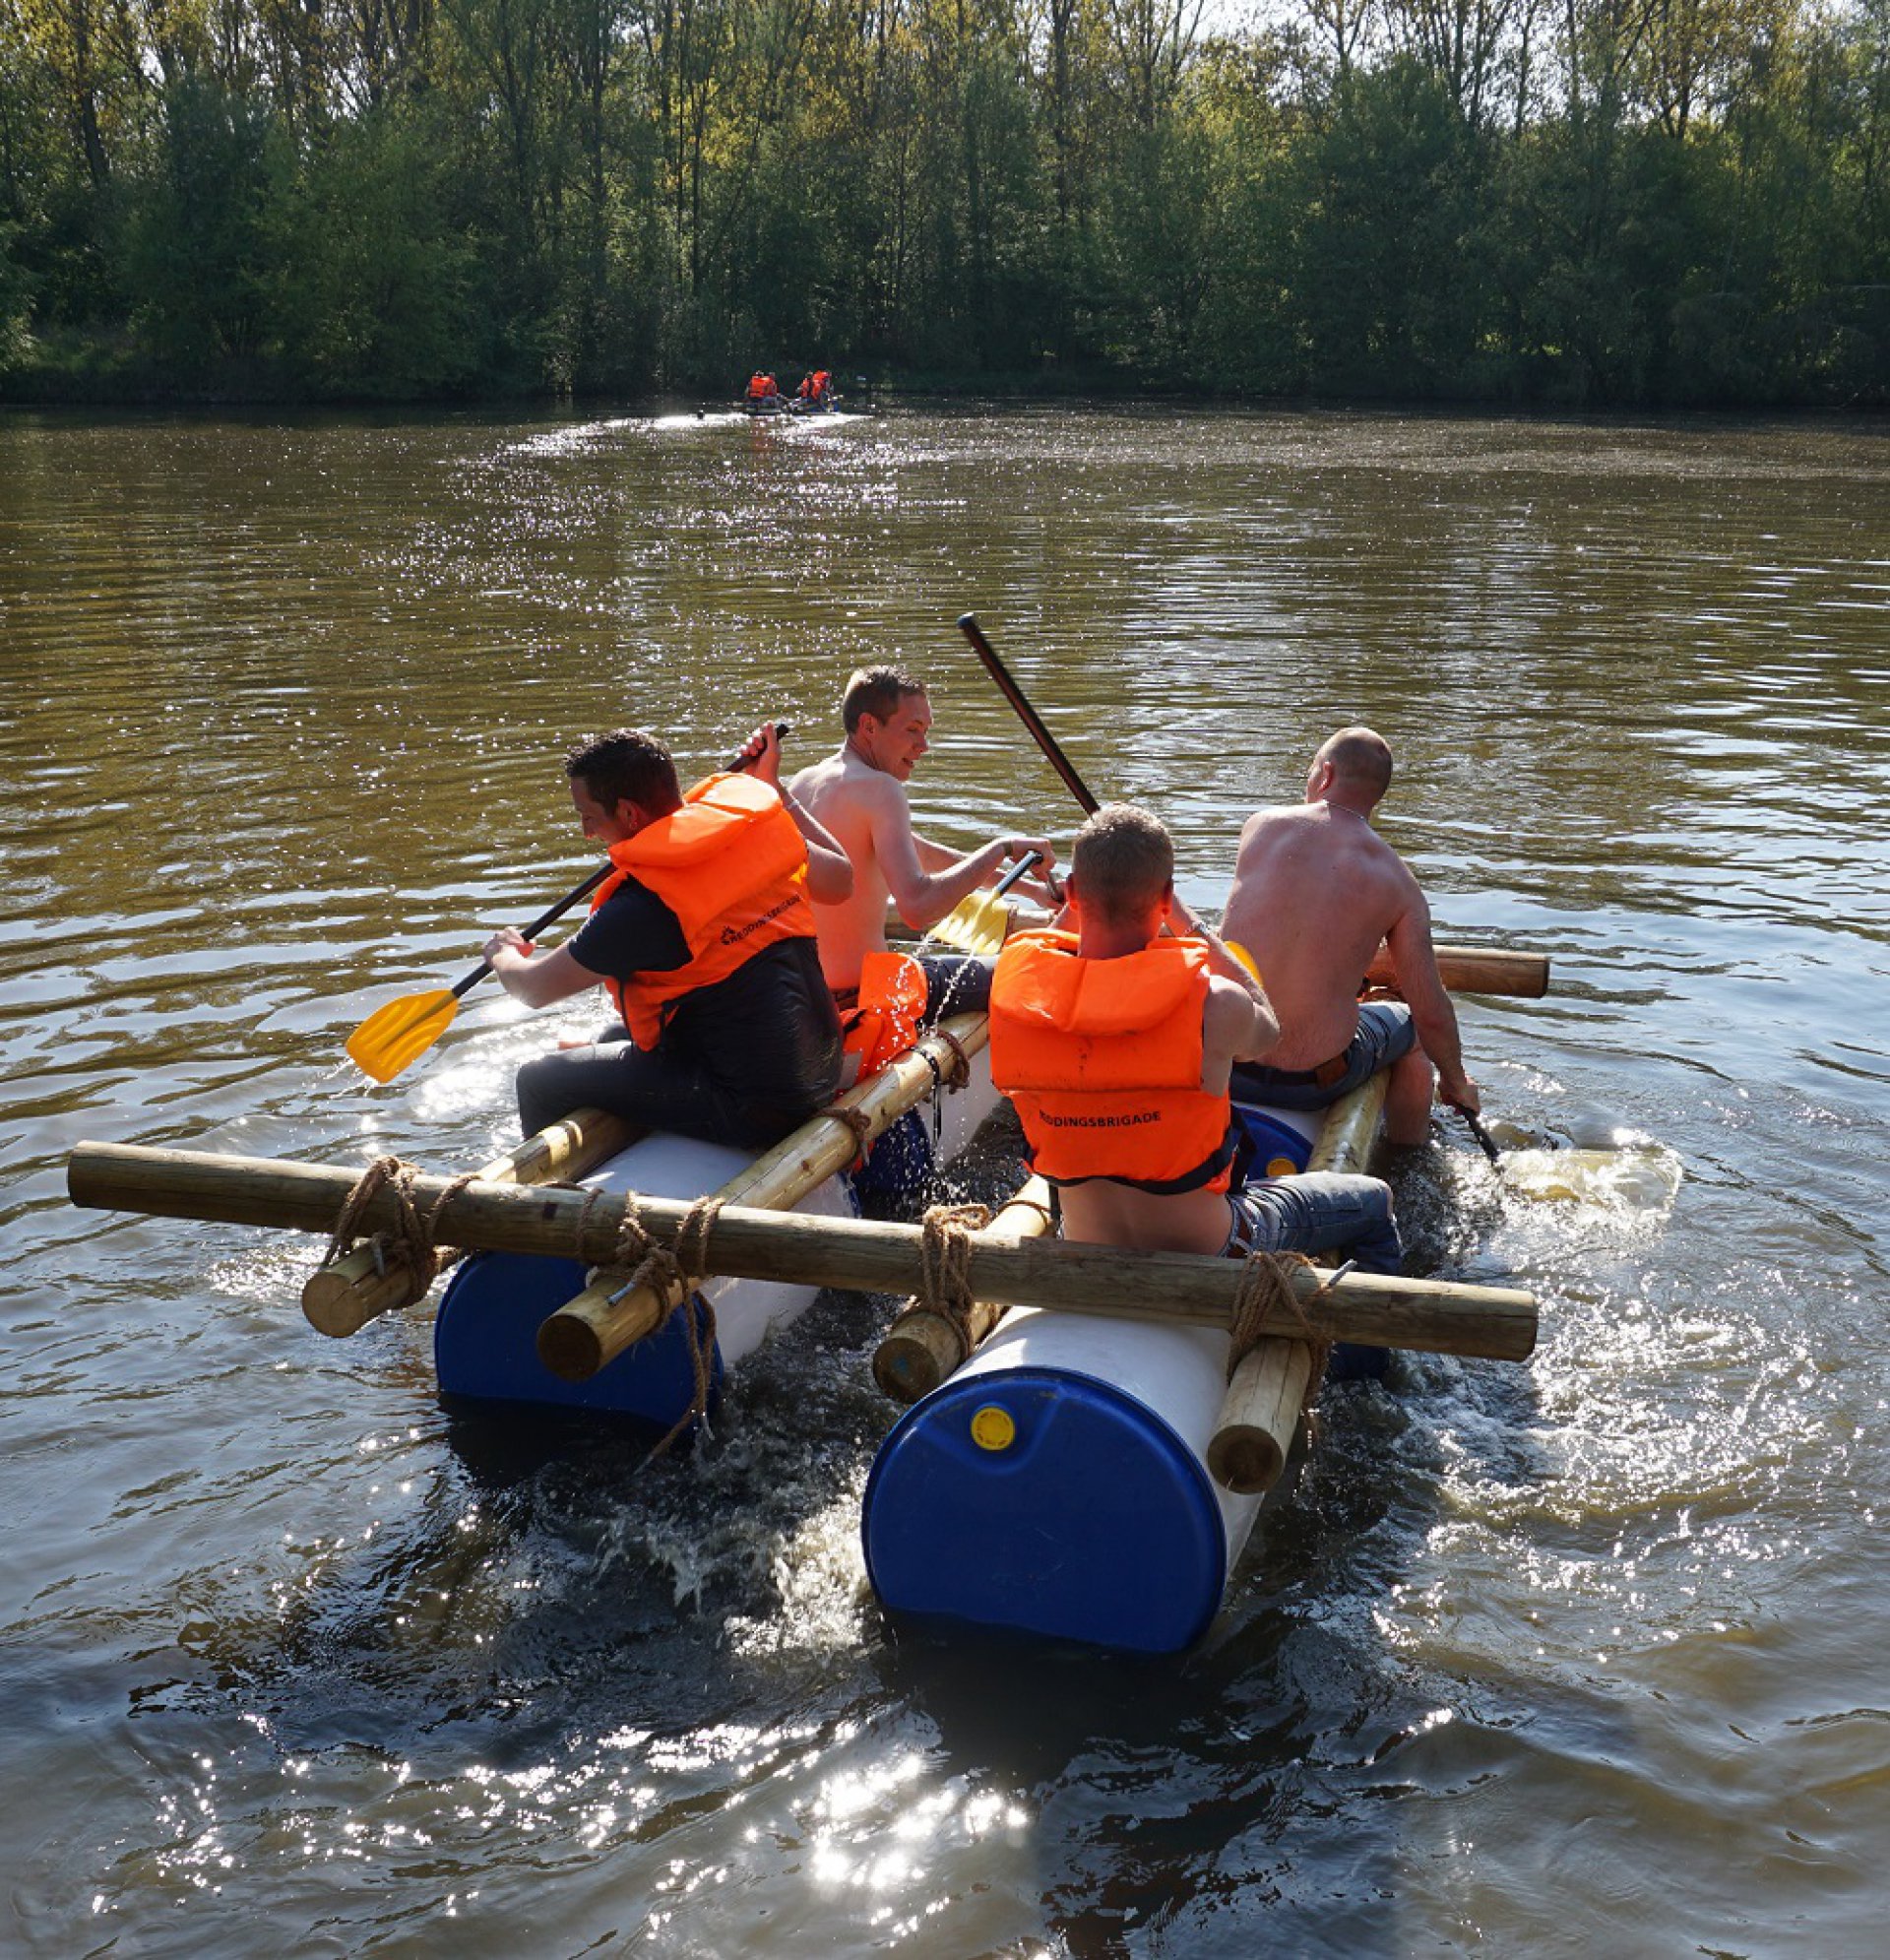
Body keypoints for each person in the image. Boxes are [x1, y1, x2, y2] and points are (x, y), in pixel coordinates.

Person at [989, 803, 1403, 1270]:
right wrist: (1190, 924)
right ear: (1165, 898)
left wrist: (1073, 910)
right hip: (1210, 1247)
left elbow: (1052, 963)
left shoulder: (1017, 999)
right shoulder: (1215, 1001)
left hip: (1083, 1238)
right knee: (1374, 1201)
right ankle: (1361, 1342)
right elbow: (1268, 1028)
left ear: (1071, 894)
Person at [482, 725, 850, 1149]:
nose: (587, 832)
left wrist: (503, 955)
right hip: (822, 1066)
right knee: (610, 1037)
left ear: (628, 814)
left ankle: (542, 1200)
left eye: (589, 817)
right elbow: (842, 880)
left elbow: (535, 988)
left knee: (537, 1079)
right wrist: (773, 790)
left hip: (753, 1107)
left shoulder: (644, 906)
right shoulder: (759, 836)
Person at [1219, 726, 1478, 1151]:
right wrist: (1455, 1080)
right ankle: (1408, 1156)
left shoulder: (1260, 827)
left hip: (1226, 1064)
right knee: (1412, 1032)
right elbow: (1430, 1010)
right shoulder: (1399, 883)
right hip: (1313, 1080)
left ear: (1323, 775)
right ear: (1376, 795)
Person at [788, 664, 1057, 1020]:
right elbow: (916, 909)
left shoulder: (803, 784)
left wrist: (1032, 890)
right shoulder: (882, 790)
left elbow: (921, 853)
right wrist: (1000, 849)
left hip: (803, 996)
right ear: (869, 726)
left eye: (926, 731)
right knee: (1024, 966)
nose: (924, 746)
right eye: (912, 730)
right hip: (862, 996)